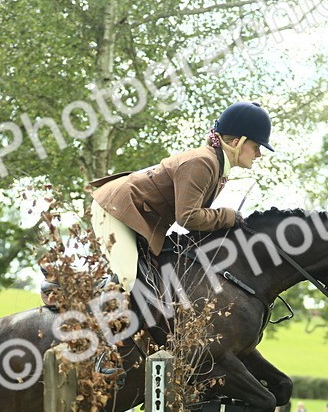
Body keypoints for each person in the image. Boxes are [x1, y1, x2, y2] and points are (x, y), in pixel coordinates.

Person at [83, 102, 274, 295]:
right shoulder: (202, 163)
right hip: (116, 209)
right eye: (256, 146)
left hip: (137, 218)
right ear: (237, 143)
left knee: (151, 282)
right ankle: (72, 299)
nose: (259, 154)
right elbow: (188, 217)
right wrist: (228, 216)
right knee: (127, 279)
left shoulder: (216, 166)